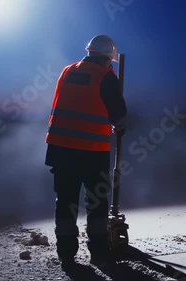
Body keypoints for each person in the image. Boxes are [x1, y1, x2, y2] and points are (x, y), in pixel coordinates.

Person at [45, 35, 127, 268]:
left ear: (89, 52)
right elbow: (119, 117)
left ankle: (66, 254)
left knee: (65, 201)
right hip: (92, 152)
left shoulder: (67, 72)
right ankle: (99, 252)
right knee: (97, 202)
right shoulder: (105, 77)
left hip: (60, 150)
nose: (110, 65)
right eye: (110, 61)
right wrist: (120, 127)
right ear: (105, 59)